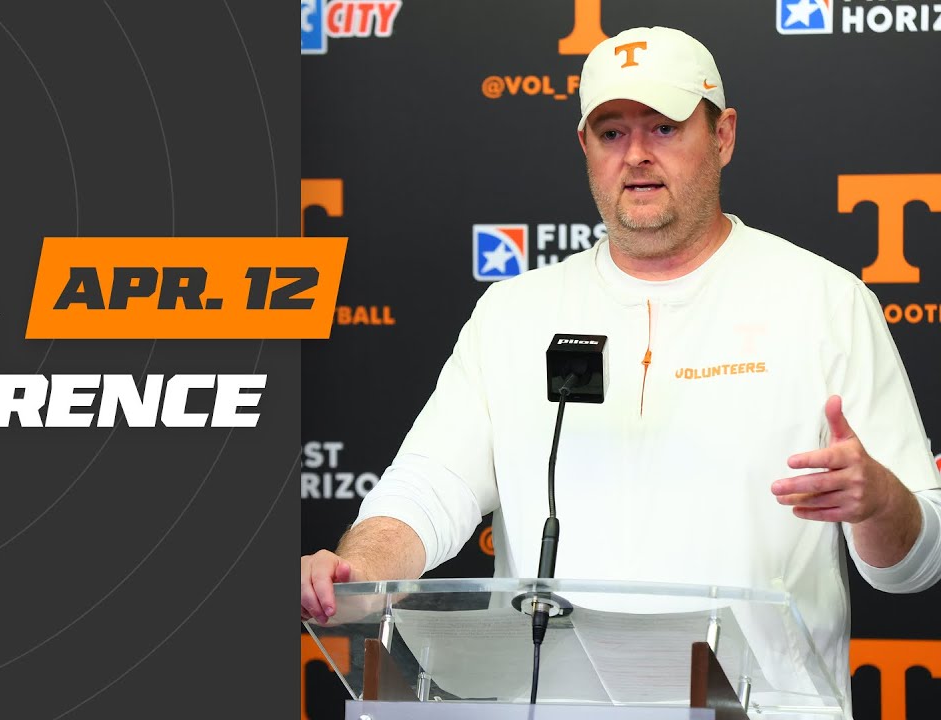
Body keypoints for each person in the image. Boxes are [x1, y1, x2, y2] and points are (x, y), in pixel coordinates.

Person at [299, 26, 941, 715]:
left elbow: (915, 566)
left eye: (664, 127)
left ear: (723, 135)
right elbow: (429, 489)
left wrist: (879, 501)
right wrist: (357, 573)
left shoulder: (825, 302)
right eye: (612, 133)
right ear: (585, 146)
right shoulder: (514, 313)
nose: (636, 154)